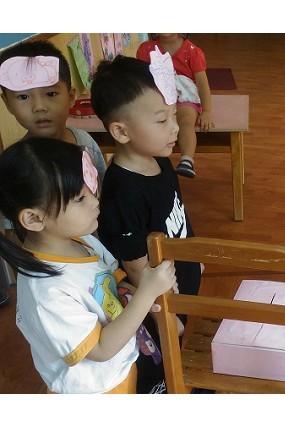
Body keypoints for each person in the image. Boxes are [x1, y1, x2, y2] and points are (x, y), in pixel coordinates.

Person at [0, 137, 177, 393]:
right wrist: (147, 292)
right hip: (100, 389)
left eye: (91, 190)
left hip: (127, 361)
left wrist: (145, 295)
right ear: (34, 219)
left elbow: (111, 282)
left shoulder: (82, 241)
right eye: (80, 198)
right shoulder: (46, 295)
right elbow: (101, 349)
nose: (95, 201)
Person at [90, 54, 203, 394]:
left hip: (179, 283)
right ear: (121, 131)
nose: (175, 128)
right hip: (158, 307)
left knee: (179, 353)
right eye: (162, 120)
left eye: (174, 115)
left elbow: (176, 213)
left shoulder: (159, 161)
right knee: (161, 361)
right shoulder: (122, 194)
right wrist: (166, 316)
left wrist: (193, 256)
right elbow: (137, 269)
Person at [0, 40, 108, 250]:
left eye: (50, 94)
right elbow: (13, 232)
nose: (39, 107)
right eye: (23, 97)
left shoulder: (84, 142)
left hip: (97, 253)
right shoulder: (16, 166)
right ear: (7, 103)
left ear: (71, 96)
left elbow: (104, 195)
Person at [136, 34, 213, 179]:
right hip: (158, 96)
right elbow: (141, 79)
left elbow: (203, 84)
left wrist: (207, 111)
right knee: (156, 123)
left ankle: (187, 161)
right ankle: (154, 161)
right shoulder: (146, 49)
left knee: (186, 121)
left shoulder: (192, 51)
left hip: (185, 96)